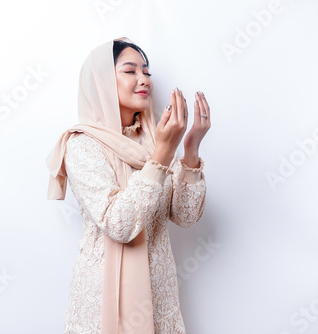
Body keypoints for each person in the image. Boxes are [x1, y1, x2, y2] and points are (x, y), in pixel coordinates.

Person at [45, 36, 211, 334]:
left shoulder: (153, 140)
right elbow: (120, 225)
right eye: (130, 70)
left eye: (146, 72)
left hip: (158, 295)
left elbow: (185, 216)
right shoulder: (83, 145)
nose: (143, 79)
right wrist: (162, 154)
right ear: (103, 81)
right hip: (106, 293)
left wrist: (190, 149)